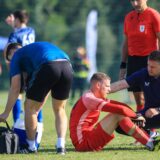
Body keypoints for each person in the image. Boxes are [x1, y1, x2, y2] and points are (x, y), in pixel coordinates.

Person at [0, 42, 73, 154]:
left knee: (29, 107)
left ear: (10, 55)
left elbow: (15, 88)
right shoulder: (32, 53)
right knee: (60, 109)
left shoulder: (16, 56)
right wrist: (38, 106)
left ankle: (31, 147)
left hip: (48, 65)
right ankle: (61, 146)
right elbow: (47, 87)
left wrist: (6, 113)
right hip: (67, 65)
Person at [69, 72, 160, 152]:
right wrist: (136, 116)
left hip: (88, 136)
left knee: (119, 114)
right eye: (107, 86)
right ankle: (150, 143)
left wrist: (135, 115)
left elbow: (120, 105)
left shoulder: (92, 96)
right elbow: (120, 109)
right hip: (83, 143)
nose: (109, 89)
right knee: (117, 115)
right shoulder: (89, 98)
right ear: (98, 85)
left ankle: (149, 137)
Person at [119, 0, 160, 113]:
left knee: (150, 98)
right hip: (133, 60)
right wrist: (123, 64)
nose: (135, 3)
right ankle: (143, 127)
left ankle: (150, 129)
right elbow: (126, 43)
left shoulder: (154, 15)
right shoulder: (128, 17)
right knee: (139, 99)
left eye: (138, 0)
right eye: (132, 1)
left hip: (149, 60)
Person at [111, 50, 160, 138]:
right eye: (148, 65)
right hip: (148, 115)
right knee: (121, 124)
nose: (149, 69)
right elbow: (121, 84)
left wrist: (157, 109)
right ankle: (153, 136)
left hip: (157, 112)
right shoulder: (144, 73)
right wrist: (100, 90)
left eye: (153, 67)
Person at [5, 10, 40, 124]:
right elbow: (22, 34)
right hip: (33, 65)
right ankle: (39, 122)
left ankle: (17, 123)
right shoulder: (31, 30)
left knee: (16, 94)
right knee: (35, 95)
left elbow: (11, 47)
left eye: (14, 19)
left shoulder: (14, 34)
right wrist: (13, 25)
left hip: (20, 65)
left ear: (17, 20)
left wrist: (8, 62)